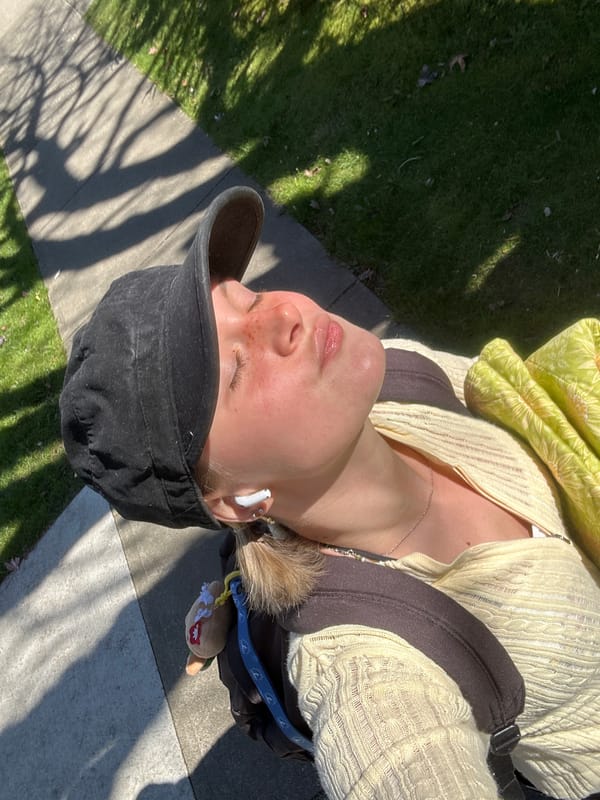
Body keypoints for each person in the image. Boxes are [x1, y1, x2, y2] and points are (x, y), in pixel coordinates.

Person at [60, 185, 600, 800]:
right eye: (235, 368)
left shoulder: (402, 374)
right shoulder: (365, 672)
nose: (285, 315)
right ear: (235, 500)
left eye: (251, 296)